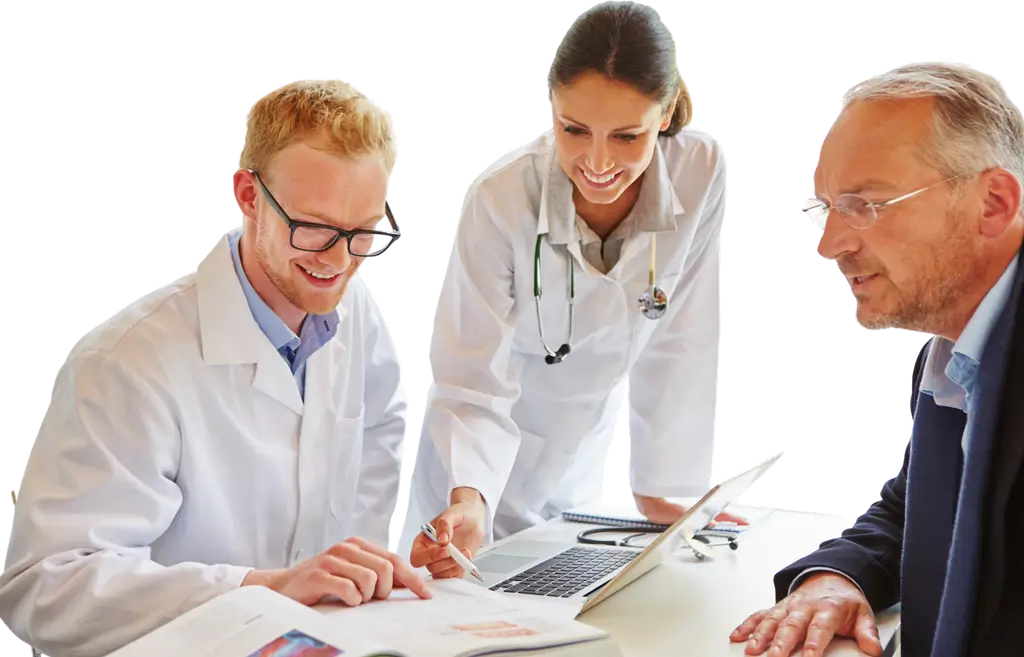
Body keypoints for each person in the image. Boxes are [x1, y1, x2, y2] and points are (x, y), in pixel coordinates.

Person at [0, 79, 430, 657]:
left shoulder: (357, 317)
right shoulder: (127, 363)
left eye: (364, 233)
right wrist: (259, 589)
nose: (339, 261)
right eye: (314, 228)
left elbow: (372, 469)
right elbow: (45, 590)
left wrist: (375, 571)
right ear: (248, 196)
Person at [400, 0, 740, 579]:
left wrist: (663, 488)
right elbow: (471, 376)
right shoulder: (500, 200)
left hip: (578, 467)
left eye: (628, 136)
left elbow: (680, 331)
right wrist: (470, 496)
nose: (598, 161)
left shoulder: (700, 168)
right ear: (551, 107)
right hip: (471, 485)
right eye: (572, 129)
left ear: (663, 116)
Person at [730, 61, 1022, 657]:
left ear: (993, 203)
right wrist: (839, 574)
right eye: (829, 207)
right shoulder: (959, 342)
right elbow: (917, 503)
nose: (831, 244)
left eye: (866, 203)